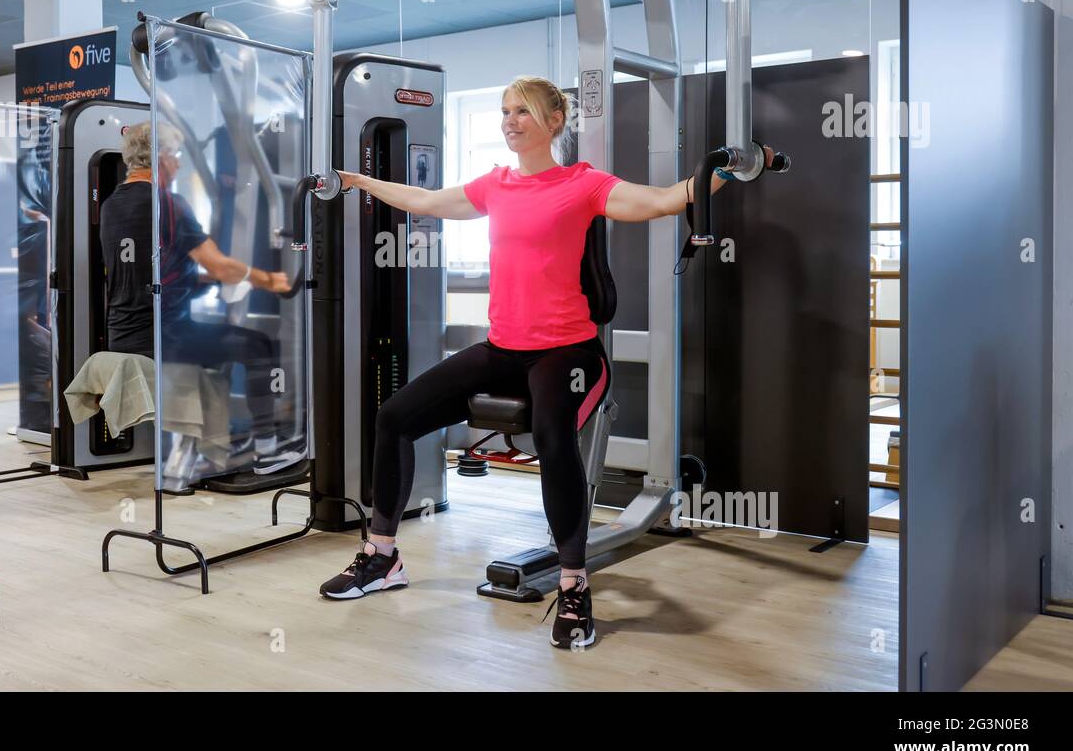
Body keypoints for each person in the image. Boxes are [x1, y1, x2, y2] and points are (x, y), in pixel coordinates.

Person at [318, 75, 779, 650]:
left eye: (523, 112)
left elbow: (665, 200)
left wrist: (721, 173)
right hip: (503, 347)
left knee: (551, 433)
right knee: (394, 417)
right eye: (505, 111)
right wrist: (356, 179)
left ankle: (573, 584)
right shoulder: (496, 185)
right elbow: (428, 201)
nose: (510, 121)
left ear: (554, 122)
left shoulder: (583, 184)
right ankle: (382, 558)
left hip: (567, 349)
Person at [99, 120, 304, 474]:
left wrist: (205, 281)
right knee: (258, 347)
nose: (178, 163)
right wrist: (270, 280)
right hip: (164, 336)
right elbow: (222, 266)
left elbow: (152, 274)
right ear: (161, 158)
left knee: (217, 339)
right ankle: (269, 450)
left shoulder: (111, 205)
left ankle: (219, 438)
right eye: (175, 155)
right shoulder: (169, 203)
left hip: (124, 335)